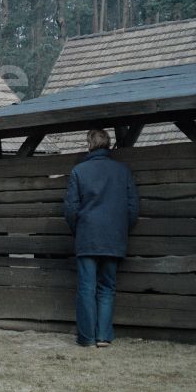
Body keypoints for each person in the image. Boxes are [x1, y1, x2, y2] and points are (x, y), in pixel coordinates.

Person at [63, 128, 139, 348]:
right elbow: (133, 207)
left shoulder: (79, 171)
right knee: (107, 287)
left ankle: (86, 338)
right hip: (114, 238)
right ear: (108, 144)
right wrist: (121, 229)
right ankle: (103, 337)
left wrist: (79, 229)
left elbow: (70, 209)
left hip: (87, 237)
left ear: (89, 144)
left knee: (86, 288)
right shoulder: (123, 171)